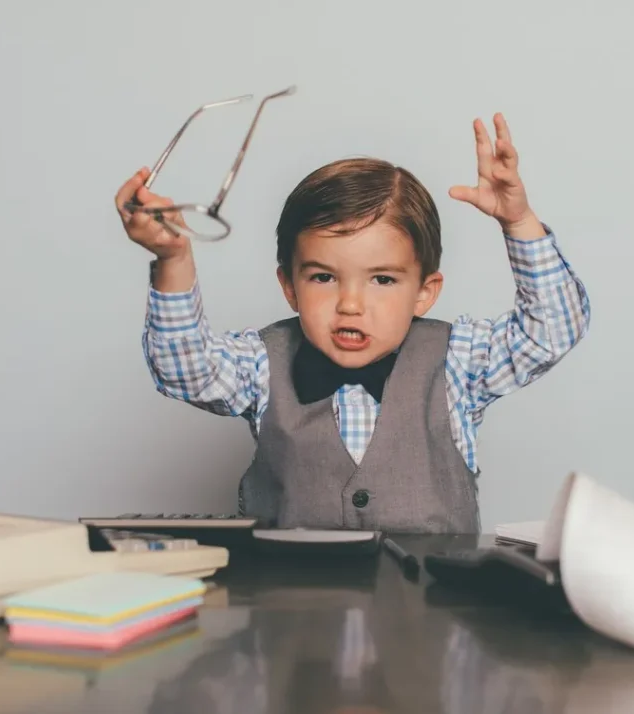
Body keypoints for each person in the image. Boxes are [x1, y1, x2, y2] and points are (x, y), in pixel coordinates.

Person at [114, 113, 590, 533]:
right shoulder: (262, 363)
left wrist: (519, 221)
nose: (350, 304)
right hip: (289, 620)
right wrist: (172, 258)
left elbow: (552, 330)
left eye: (382, 279)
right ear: (290, 286)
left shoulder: (459, 362)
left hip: (431, 624)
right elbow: (184, 369)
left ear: (424, 291)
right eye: (324, 277)